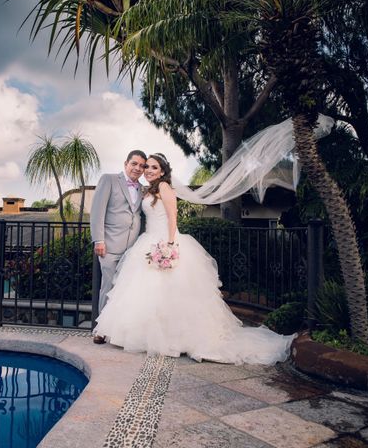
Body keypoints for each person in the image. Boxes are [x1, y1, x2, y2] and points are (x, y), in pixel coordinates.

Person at [93, 153, 295, 364]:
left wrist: (169, 245)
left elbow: (173, 217)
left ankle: (175, 338)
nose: (148, 170)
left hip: (164, 242)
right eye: (147, 167)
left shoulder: (164, 188)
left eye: (153, 167)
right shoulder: (147, 189)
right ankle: (144, 335)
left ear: (162, 171)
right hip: (147, 241)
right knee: (147, 292)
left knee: (169, 291)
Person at [90, 149, 147, 344]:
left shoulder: (142, 188)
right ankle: (100, 330)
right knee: (108, 286)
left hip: (132, 248)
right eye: (134, 164)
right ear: (126, 163)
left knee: (125, 289)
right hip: (110, 245)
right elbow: (97, 211)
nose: (138, 168)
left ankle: (120, 330)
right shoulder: (109, 179)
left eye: (141, 165)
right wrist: (99, 240)